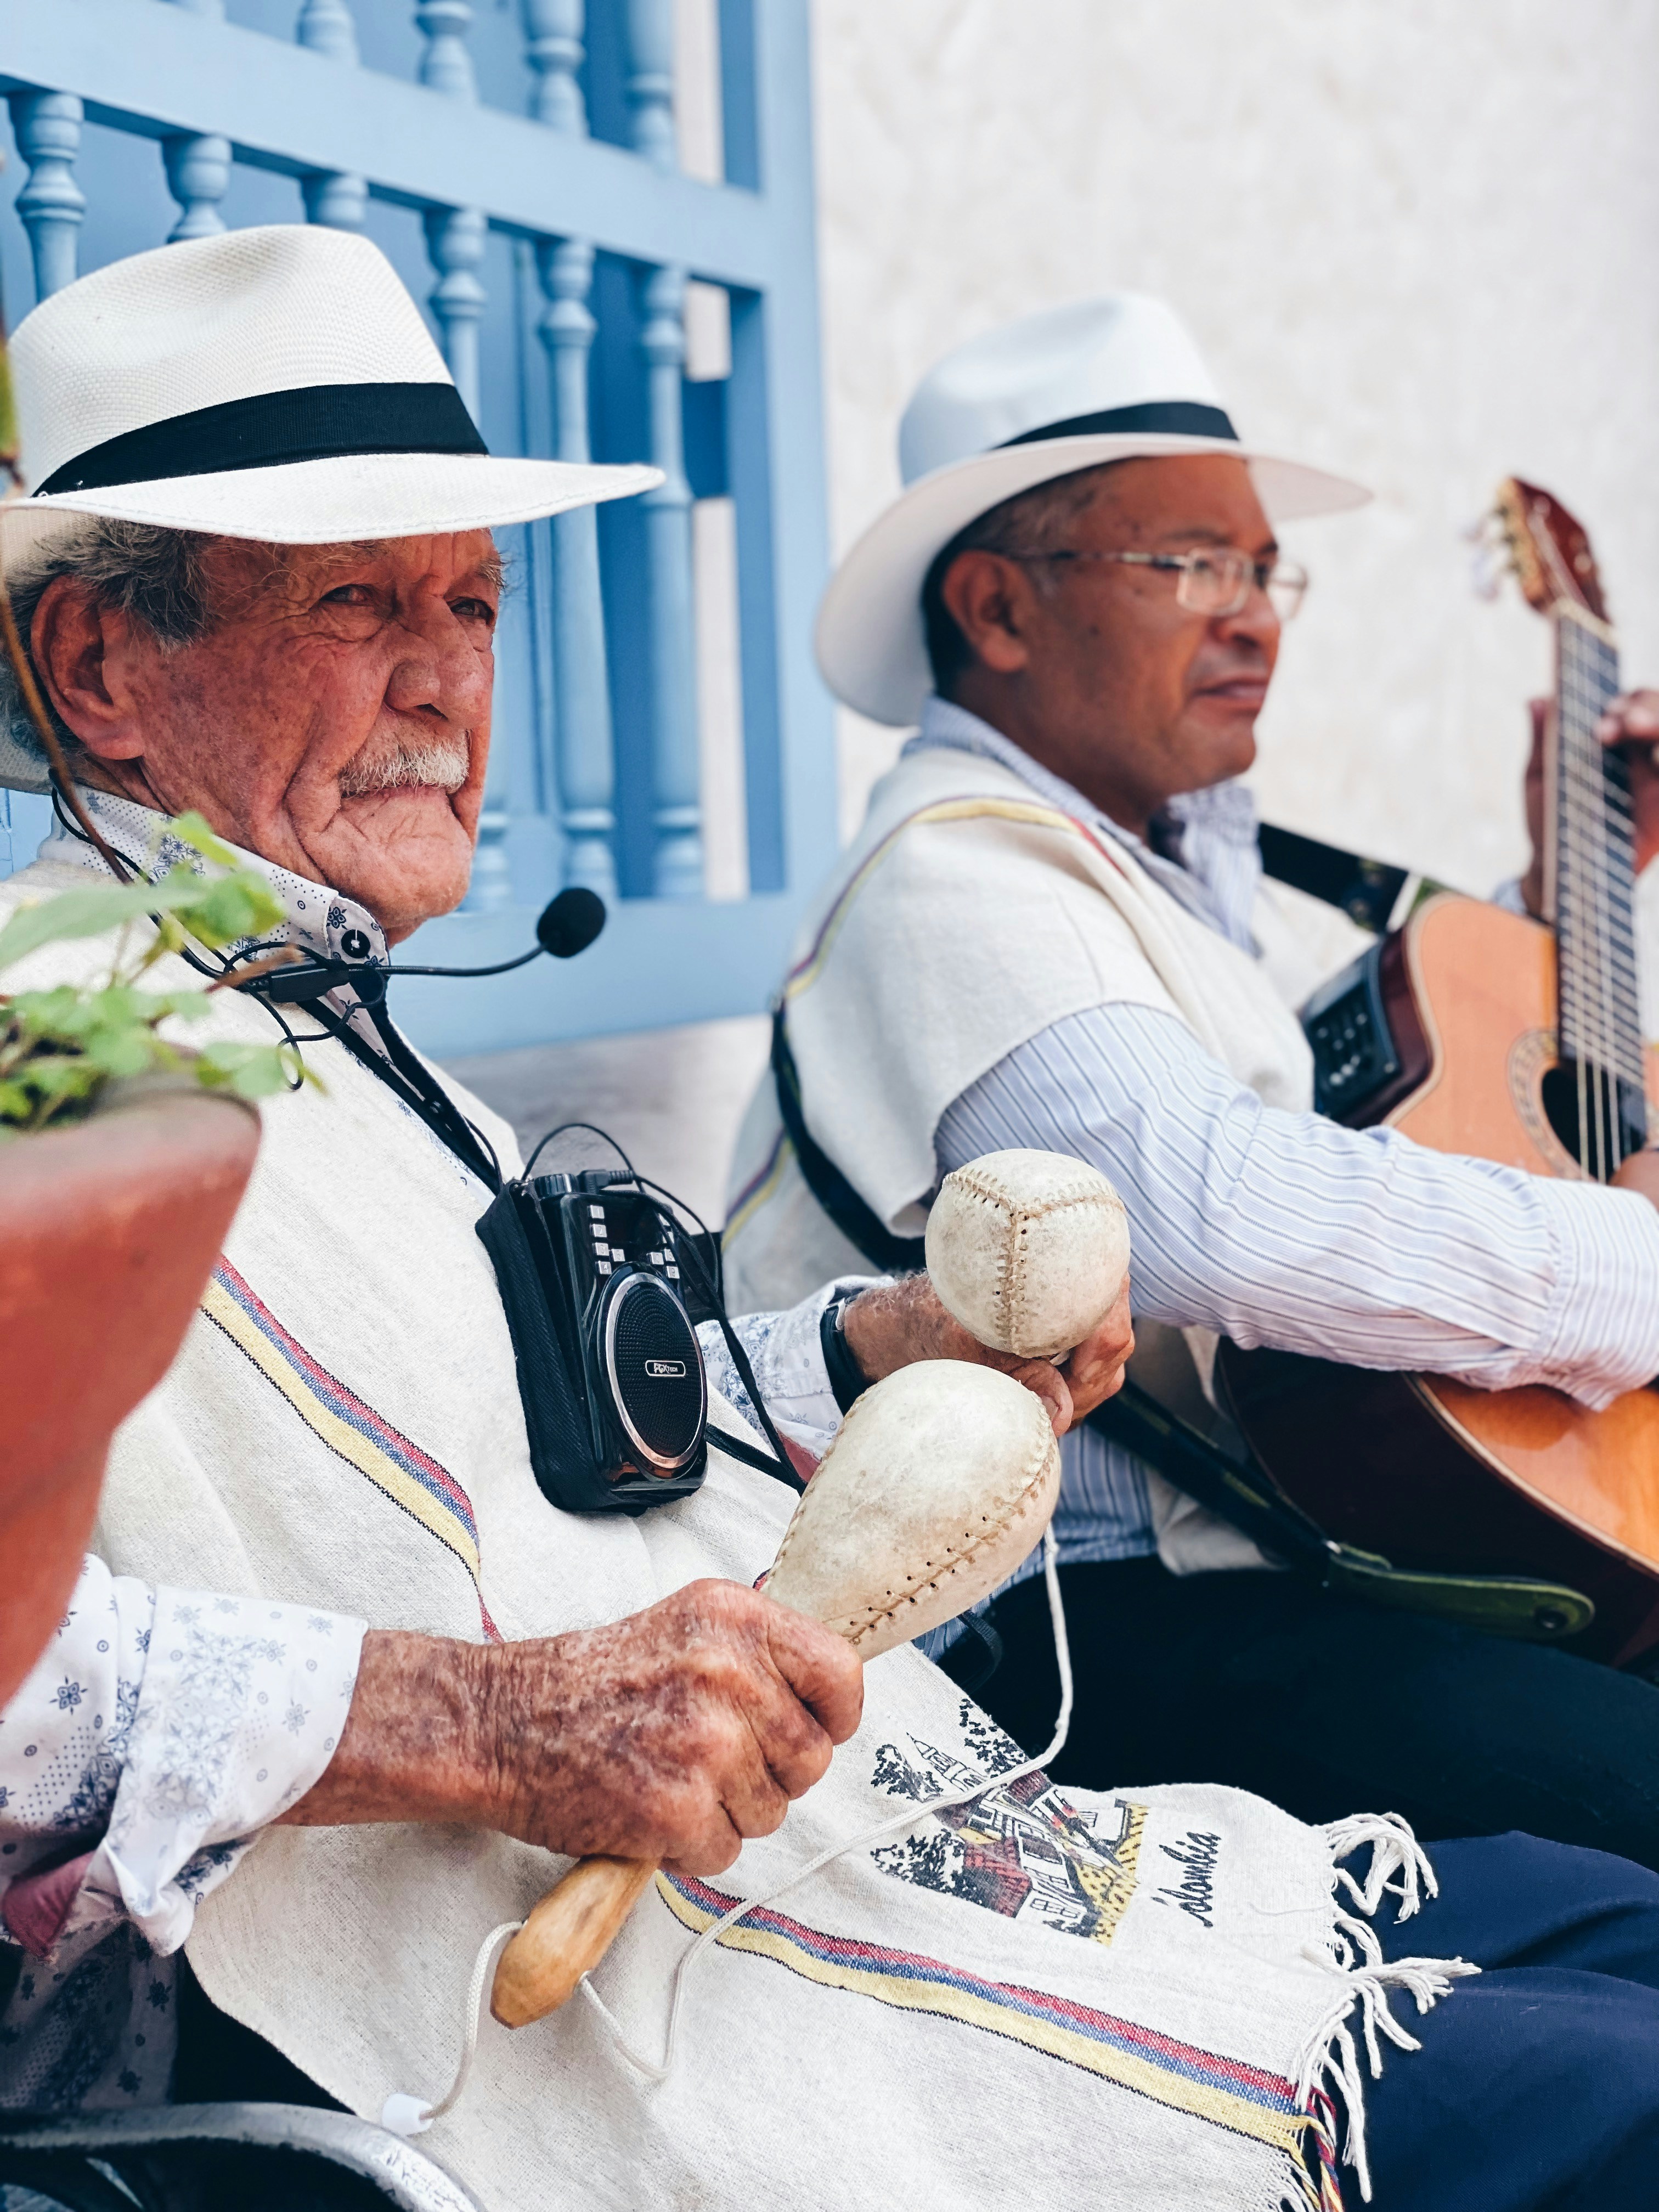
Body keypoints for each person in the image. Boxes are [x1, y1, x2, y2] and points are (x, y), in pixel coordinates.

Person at [2, 234, 1656, 2212]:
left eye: (472, 600)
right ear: (99, 668)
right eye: (356, 600)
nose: (445, 675)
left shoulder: (328, 1028)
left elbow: (572, 1460)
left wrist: (881, 1352)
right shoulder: (60, 1062)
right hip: (616, 2009)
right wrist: (490, 1719)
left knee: (1594, 1927)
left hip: (858, 1851)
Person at [724, 291, 1659, 1875]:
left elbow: (1368, 1127)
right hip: (1067, 1639)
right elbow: (1208, 1206)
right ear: (998, 610)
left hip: (1272, 1568)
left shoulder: (1139, 868)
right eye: (1188, 565)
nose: (1256, 616)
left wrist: (1566, 888)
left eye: (1259, 566)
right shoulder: (952, 877)